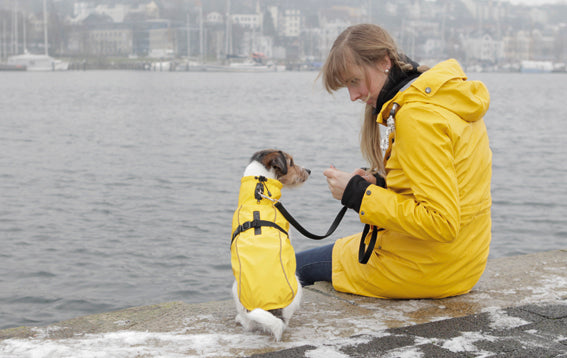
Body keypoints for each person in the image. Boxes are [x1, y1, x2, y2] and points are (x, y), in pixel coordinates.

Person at [295, 24, 492, 299]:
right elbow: (444, 183)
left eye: (354, 81)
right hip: (462, 262)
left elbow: (441, 222)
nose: (353, 96)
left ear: (384, 62)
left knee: (291, 266)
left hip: (424, 267)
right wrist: (381, 183)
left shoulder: (416, 117)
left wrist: (358, 195)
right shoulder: (444, 99)